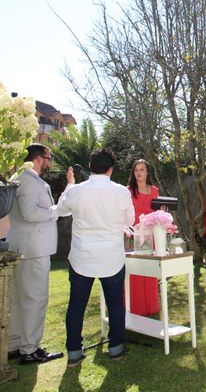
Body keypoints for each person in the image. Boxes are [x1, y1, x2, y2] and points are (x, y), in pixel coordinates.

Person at [56, 149, 135, 366]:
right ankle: (116, 347)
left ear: (90, 165)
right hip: (111, 256)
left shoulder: (77, 191)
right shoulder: (121, 192)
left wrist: (70, 184)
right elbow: (130, 219)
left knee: (76, 305)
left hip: (83, 256)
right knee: (116, 304)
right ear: (111, 169)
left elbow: (61, 210)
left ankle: (73, 351)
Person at [7, 144, 72, 364]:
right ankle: (30, 349)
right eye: (48, 157)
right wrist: (54, 212)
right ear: (37, 159)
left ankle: (15, 344)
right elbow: (29, 212)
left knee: (19, 299)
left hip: (23, 245)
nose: (50, 162)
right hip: (33, 249)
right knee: (35, 298)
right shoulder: (29, 180)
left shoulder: (19, 176)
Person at [126, 159, 160, 316]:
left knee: (150, 271)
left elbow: (156, 212)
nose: (139, 173)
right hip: (134, 235)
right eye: (136, 170)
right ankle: (135, 307)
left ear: (147, 172)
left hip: (150, 236)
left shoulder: (154, 191)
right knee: (135, 271)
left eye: (142, 170)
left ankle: (150, 306)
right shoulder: (128, 191)